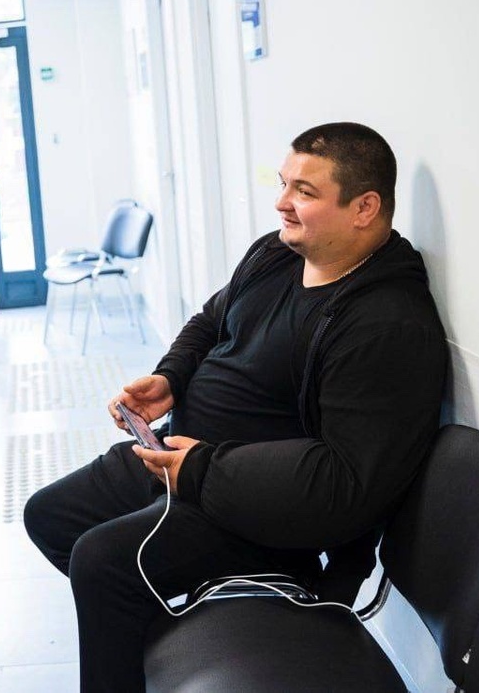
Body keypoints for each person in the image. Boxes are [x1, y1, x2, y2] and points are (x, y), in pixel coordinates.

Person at [23, 122, 448, 693]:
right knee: (50, 516)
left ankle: (172, 628)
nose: (281, 203)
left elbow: (345, 481)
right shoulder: (277, 253)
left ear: (364, 208)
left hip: (253, 508)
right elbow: (210, 320)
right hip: (181, 462)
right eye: (283, 183)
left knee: (103, 562)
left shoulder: (385, 323)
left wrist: (201, 470)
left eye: (304, 191)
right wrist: (170, 377)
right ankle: (154, 641)